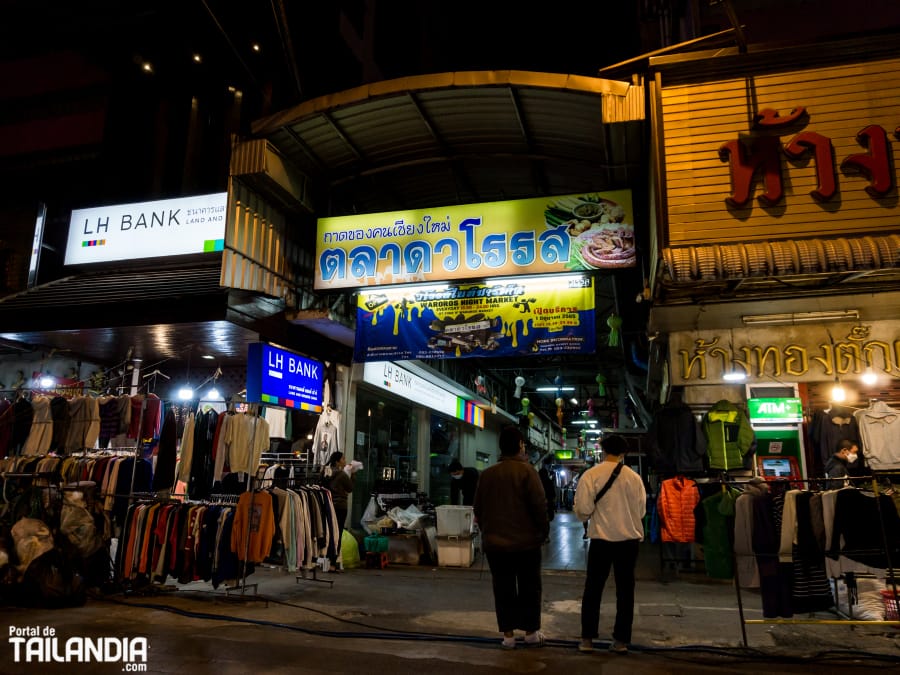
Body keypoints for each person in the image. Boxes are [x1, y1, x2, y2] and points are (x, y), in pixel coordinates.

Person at [473, 425, 550, 650]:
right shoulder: (528, 472)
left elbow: (478, 507)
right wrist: (543, 533)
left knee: (503, 588)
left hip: (496, 546)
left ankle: (508, 637)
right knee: (529, 588)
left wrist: (489, 530)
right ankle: (530, 634)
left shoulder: (487, 474)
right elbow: (539, 506)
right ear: (519, 446)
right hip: (526, 545)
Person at [574, 434, 646, 655]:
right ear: (624, 453)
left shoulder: (591, 475)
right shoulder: (634, 478)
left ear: (603, 450)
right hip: (628, 542)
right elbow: (641, 511)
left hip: (601, 541)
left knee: (593, 589)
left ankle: (587, 639)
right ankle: (621, 641)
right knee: (625, 592)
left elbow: (583, 510)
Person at [323, 451, 354, 572]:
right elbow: (350, 488)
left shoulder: (325, 471)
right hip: (340, 507)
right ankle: (332, 564)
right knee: (337, 534)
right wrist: (353, 474)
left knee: (327, 532)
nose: (345, 461)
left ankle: (321, 559)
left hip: (327, 505)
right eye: (343, 458)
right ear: (337, 461)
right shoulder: (341, 474)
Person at [538, 457, 557, 523]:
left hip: (539, 504)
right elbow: (553, 494)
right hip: (548, 503)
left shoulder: (537, 482)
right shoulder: (549, 482)